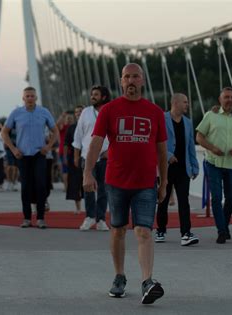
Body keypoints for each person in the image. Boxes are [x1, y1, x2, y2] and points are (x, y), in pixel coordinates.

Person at [83, 63, 167, 304]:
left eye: (136, 77)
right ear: (121, 82)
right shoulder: (109, 110)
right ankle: (119, 276)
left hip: (145, 183)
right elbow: (96, 144)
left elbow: (162, 151)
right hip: (117, 181)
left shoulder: (155, 112)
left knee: (143, 230)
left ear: (142, 81)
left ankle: (147, 282)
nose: (131, 81)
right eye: (127, 77)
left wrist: (164, 183)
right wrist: (87, 173)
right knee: (118, 230)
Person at [1, 87, 59, 229]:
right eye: (27, 96)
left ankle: (40, 218)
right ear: (23, 98)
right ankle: (26, 218)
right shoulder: (16, 113)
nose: (30, 98)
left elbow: (55, 130)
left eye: (32, 96)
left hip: (39, 154)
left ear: (36, 98)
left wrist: (49, 146)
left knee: (40, 185)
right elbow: (4, 132)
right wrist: (13, 148)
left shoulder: (44, 112)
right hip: (23, 155)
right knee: (26, 186)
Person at [196, 87, 232, 244]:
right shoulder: (210, 115)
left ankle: (224, 226)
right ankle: (222, 231)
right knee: (217, 198)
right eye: (226, 97)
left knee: (231, 198)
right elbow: (199, 136)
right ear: (220, 100)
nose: (230, 100)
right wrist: (212, 148)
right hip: (213, 163)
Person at [155, 93, 199, 246]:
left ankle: (186, 233)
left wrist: (195, 166)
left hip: (183, 169)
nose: (187, 105)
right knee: (163, 200)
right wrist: (167, 155)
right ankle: (160, 230)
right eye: (185, 102)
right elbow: (154, 140)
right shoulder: (161, 118)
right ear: (175, 103)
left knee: (183, 201)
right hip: (166, 168)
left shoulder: (188, 122)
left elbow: (190, 146)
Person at [73, 86, 111, 231]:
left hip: (106, 158)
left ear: (104, 97)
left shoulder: (110, 111)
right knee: (88, 187)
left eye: (96, 95)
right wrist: (76, 155)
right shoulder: (86, 112)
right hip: (87, 157)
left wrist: (111, 151)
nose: (92, 97)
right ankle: (89, 217)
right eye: (92, 95)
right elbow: (78, 134)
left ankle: (100, 219)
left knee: (104, 189)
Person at [64, 107, 83, 213]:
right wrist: (66, 158)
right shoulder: (71, 127)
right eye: (76, 112)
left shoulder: (90, 125)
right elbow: (66, 143)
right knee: (75, 183)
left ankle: (93, 206)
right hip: (73, 158)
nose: (78, 113)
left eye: (80, 111)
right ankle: (78, 208)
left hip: (88, 157)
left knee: (88, 183)